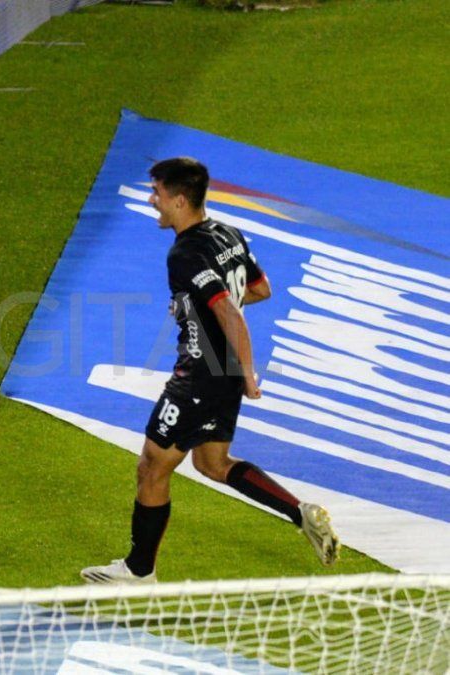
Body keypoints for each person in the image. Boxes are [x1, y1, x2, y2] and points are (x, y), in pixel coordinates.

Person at [80, 157, 340, 584]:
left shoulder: (185, 253)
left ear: (180, 200)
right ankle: (300, 513)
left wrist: (250, 374)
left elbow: (230, 313)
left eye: (158, 195)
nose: (153, 202)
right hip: (223, 377)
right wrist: (198, 312)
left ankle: (138, 571)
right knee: (212, 463)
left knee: (151, 466)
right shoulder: (228, 234)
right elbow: (259, 289)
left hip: (199, 376)